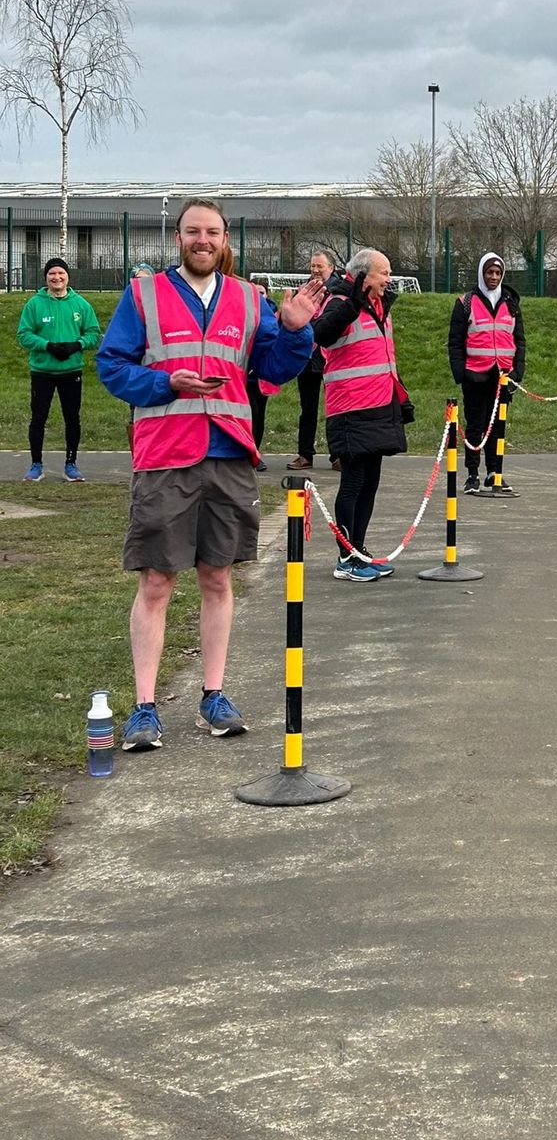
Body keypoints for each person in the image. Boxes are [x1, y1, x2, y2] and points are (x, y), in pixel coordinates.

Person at [97, 197, 323, 752]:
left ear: (225, 240)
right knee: (155, 581)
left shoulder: (250, 299)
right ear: (178, 238)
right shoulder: (143, 295)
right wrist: (164, 384)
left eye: (213, 232)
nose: (203, 240)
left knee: (218, 578)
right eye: (193, 231)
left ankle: (213, 696)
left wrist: (294, 332)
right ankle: (145, 707)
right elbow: (111, 365)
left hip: (227, 454)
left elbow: (271, 370)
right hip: (165, 455)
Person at [312, 247, 412, 582]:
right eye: (384, 272)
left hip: (381, 406)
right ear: (363, 275)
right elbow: (321, 334)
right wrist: (353, 303)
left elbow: (385, 356)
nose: (389, 279)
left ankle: (359, 549)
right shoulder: (339, 302)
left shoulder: (382, 306)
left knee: (371, 482)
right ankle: (346, 558)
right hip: (350, 408)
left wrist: (400, 399)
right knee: (352, 482)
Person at [447, 252, 527, 494]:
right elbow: (455, 341)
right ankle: (472, 475)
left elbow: (519, 340)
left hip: (502, 375)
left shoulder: (511, 302)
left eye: (498, 272)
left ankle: (495, 473)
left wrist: (517, 373)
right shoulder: (466, 302)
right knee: (475, 426)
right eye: (489, 272)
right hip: (475, 375)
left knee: (498, 428)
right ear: (482, 273)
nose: (493, 276)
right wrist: (461, 373)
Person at [18, 257, 101, 482]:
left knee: (72, 418)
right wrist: (47, 346)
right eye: (52, 274)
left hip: (71, 372)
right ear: (46, 278)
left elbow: (93, 333)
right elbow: (24, 334)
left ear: (67, 277)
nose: (57, 278)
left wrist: (77, 345)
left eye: (61, 274)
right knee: (38, 418)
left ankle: (71, 465)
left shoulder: (81, 305)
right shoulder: (34, 304)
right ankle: (36, 465)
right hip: (42, 372)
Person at [288, 250, 338, 472]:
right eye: (312, 266)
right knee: (307, 408)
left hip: (331, 355)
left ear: (332, 268)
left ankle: (338, 455)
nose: (316, 270)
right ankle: (305, 454)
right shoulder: (304, 290)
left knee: (334, 408)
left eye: (320, 266)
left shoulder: (338, 292)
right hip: (307, 357)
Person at [246, 282, 280, 473]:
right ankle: (249, 452)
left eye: (262, 292)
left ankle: (256, 452)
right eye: (256, 292)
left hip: (262, 377)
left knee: (259, 416)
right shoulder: (246, 311)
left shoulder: (273, 314)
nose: (259, 296)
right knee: (251, 414)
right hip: (246, 377)